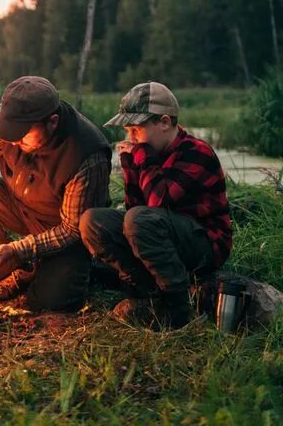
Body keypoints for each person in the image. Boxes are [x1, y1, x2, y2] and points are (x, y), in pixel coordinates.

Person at [0, 76, 111, 311]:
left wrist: (19, 249)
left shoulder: (86, 153)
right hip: (19, 204)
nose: (14, 139)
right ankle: (14, 270)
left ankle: (91, 268)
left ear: (52, 122)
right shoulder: (7, 121)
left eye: (23, 134)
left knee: (49, 301)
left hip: (63, 230)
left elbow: (72, 229)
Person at [79, 81, 232, 329]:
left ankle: (176, 304)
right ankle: (143, 289)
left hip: (205, 244)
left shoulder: (196, 152)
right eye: (128, 131)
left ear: (164, 122)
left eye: (136, 129)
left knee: (141, 219)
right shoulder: (149, 152)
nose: (131, 138)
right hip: (164, 234)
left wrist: (140, 156)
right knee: (93, 221)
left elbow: (157, 203)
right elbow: (134, 207)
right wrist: (130, 166)